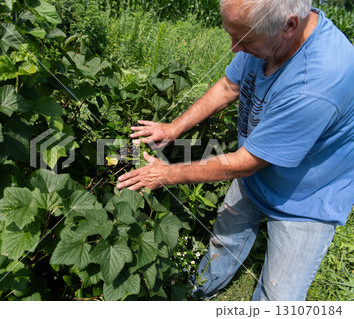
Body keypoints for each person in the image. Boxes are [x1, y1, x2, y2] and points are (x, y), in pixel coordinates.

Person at [116, 0, 354, 301]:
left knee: (278, 300)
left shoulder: (318, 83)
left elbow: (246, 162)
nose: (233, 48)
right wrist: (174, 127)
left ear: (289, 25)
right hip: (254, 171)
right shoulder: (267, 33)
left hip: (307, 197)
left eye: (244, 39)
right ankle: (198, 289)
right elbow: (230, 86)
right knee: (223, 238)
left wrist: (166, 174)